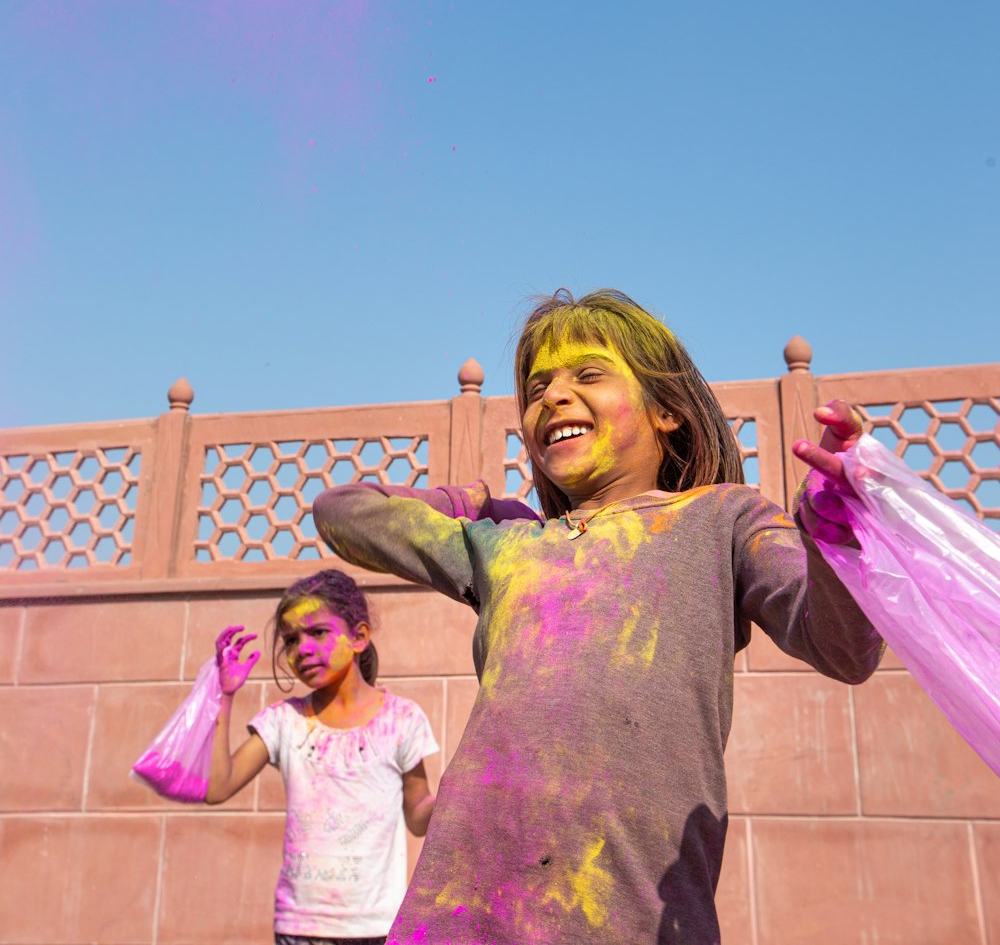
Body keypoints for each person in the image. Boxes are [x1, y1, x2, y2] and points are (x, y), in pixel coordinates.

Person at [313, 289, 884, 945]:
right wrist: (464, 502)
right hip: (456, 919)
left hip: (633, 920)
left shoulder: (723, 519)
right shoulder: (506, 547)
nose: (553, 395)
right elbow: (341, 509)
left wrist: (838, 528)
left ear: (668, 409)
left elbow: (843, 648)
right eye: (537, 387)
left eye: (587, 374)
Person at [205, 567, 439, 945]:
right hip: (301, 929)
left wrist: (453, 797)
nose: (302, 650)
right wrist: (223, 694)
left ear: (359, 637)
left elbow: (417, 815)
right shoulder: (284, 722)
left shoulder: (402, 719)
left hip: (378, 927)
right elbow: (218, 786)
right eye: (291, 640)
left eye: (317, 632)